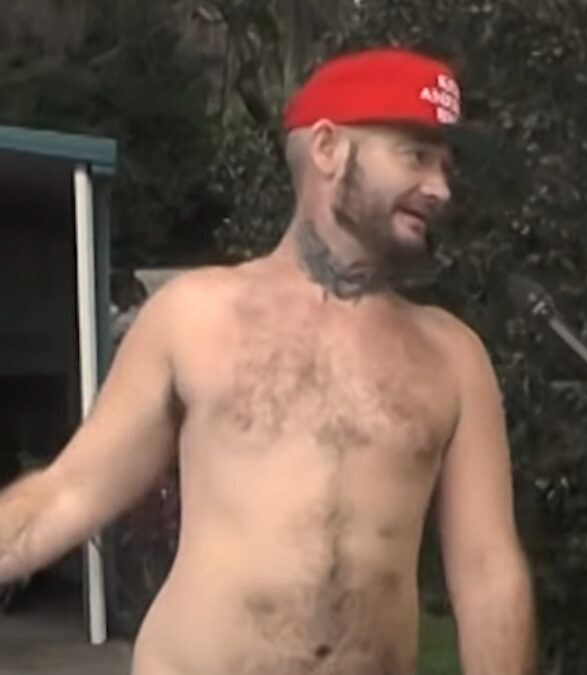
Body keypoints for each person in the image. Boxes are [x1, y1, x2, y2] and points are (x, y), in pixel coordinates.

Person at [0, 47, 537, 675]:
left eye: (446, 166)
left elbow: (487, 573)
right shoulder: (194, 315)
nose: (440, 187)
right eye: (415, 155)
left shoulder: (453, 358)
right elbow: (66, 496)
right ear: (328, 149)